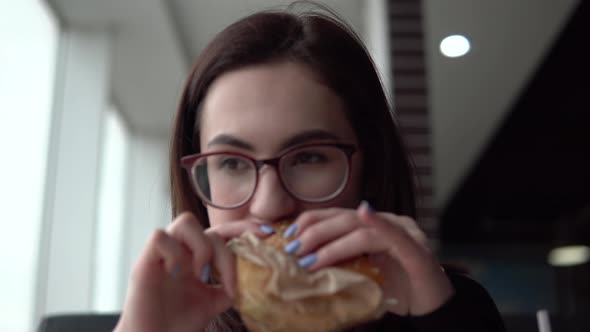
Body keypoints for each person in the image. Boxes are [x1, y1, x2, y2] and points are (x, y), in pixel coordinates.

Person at [114, 3, 506, 332]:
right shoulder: (166, 321)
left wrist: (440, 320)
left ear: (369, 169)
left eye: (309, 157)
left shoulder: (449, 308)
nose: (269, 206)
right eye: (232, 163)